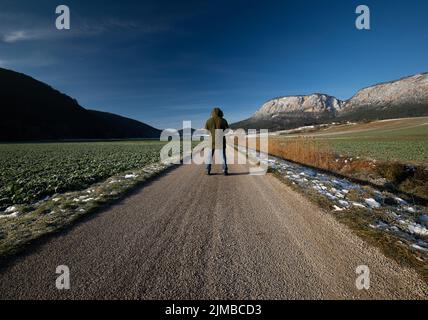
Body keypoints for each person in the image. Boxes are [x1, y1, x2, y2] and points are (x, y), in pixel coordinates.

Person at [204, 107, 229, 175]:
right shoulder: (223, 120)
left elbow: (206, 132)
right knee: (223, 156)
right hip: (221, 141)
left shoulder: (208, 121)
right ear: (220, 112)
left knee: (209, 156)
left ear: (212, 113)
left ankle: (207, 170)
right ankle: (224, 170)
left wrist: (211, 133)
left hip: (212, 141)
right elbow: (227, 130)